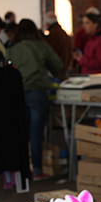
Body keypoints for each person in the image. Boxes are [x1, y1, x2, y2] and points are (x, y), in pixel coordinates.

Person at [7, 19, 63, 180]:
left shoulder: (12, 49)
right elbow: (57, 66)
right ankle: (37, 170)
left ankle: (20, 172)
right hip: (37, 92)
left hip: (16, 94)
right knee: (36, 132)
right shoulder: (41, 46)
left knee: (19, 132)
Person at [44, 11, 73, 81]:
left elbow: (51, 53)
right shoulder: (63, 32)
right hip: (65, 66)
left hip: (58, 69)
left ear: (47, 23)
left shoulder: (53, 35)